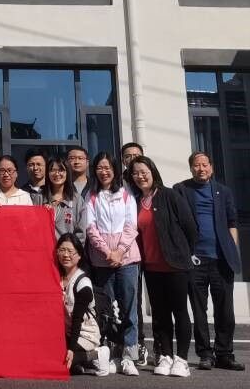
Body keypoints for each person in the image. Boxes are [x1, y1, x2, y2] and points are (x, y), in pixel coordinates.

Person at [173, 152, 244, 372]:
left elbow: (232, 222)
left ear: (211, 168)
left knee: (225, 311)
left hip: (221, 260)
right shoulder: (181, 190)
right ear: (191, 168)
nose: (201, 169)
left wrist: (232, 249)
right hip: (195, 261)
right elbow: (176, 224)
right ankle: (205, 354)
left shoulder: (224, 191)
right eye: (196, 165)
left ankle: (225, 354)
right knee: (199, 310)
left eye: (205, 165)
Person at [129, 157, 197, 378]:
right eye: (135, 173)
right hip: (152, 267)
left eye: (144, 171)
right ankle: (166, 355)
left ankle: (182, 359)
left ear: (152, 171)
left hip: (175, 265)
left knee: (180, 312)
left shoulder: (169, 195)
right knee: (160, 315)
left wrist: (184, 252)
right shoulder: (136, 201)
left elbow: (190, 227)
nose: (140, 176)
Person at [87, 151, 141, 376]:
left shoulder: (126, 193)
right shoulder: (91, 196)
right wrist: (108, 252)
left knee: (129, 308)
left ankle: (129, 356)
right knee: (107, 309)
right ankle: (110, 354)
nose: (104, 172)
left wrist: (119, 251)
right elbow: (91, 228)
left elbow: (131, 226)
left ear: (115, 170)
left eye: (107, 167)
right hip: (102, 260)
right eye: (100, 167)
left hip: (127, 258)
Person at [56, 233, 112, 377]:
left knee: (59, 359)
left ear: (79, 255)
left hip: (85, 334)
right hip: (67, 333)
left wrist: (71, 349)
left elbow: (77, 319)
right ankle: (79, 364)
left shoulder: (83, 284)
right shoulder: (57, 277)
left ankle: (97, 354)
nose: (66, 255)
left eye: (70, 251)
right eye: (62, 250)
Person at [119, 142, 147, 366]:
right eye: (127, 156)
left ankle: (140, 343)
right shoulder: (118, 183)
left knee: (136, 300)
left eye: (136, 155)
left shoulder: (146, 181)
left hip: (146, 246)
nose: (132, 159)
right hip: (123, 248)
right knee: (126, 300)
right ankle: (122, 344)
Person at [44, 156, 90, 240]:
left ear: (67, 173)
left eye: (61, 170)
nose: (57, 174)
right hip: (44, 247)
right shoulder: (40, 198)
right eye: (53, 170)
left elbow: (81, 234)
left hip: (68, 248)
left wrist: (72, 247)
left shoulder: (77, 200)